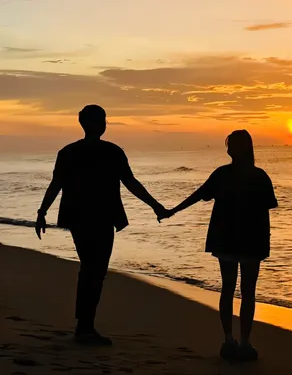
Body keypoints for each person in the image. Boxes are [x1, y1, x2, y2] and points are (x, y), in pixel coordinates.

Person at [35, 104, 168, 346]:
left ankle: (84, 324)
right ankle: (85, 327)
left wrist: (42, 212)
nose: (104, 124)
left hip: (80, 217)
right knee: (94, 270)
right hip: (100, 217)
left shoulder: (69, 152)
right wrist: (155, 206)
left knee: (90, 268)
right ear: (94, 124)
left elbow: (56, 184)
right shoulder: (111, 152)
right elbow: (130, 183)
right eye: (102, 120)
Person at [169, 130, 278, 361]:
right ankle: (245, 343)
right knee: (248, 292)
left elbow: (199, 195)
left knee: (228, 288)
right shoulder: (259, 176)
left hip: (226, 238)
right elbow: (267, 207)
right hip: (252, 240)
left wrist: (173, 211)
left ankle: (229, 340)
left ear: (231, 149)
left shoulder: (222, 175)